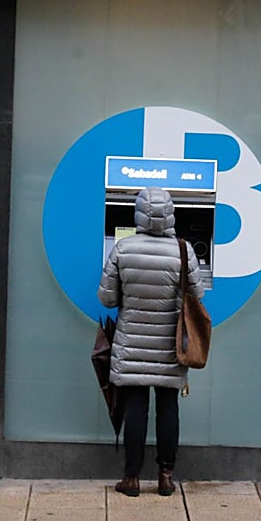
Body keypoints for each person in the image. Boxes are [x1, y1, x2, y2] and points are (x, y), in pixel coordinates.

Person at [97, 185, 204, 497]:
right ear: (170, 215)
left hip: (133, 343)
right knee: (168, 407)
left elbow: (106, 298)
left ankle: (131, 478)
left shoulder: (123, 248)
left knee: (136, 408)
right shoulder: (183, 250)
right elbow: (196, 295)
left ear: (139, 214)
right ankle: (166, 476)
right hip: (171, 346)